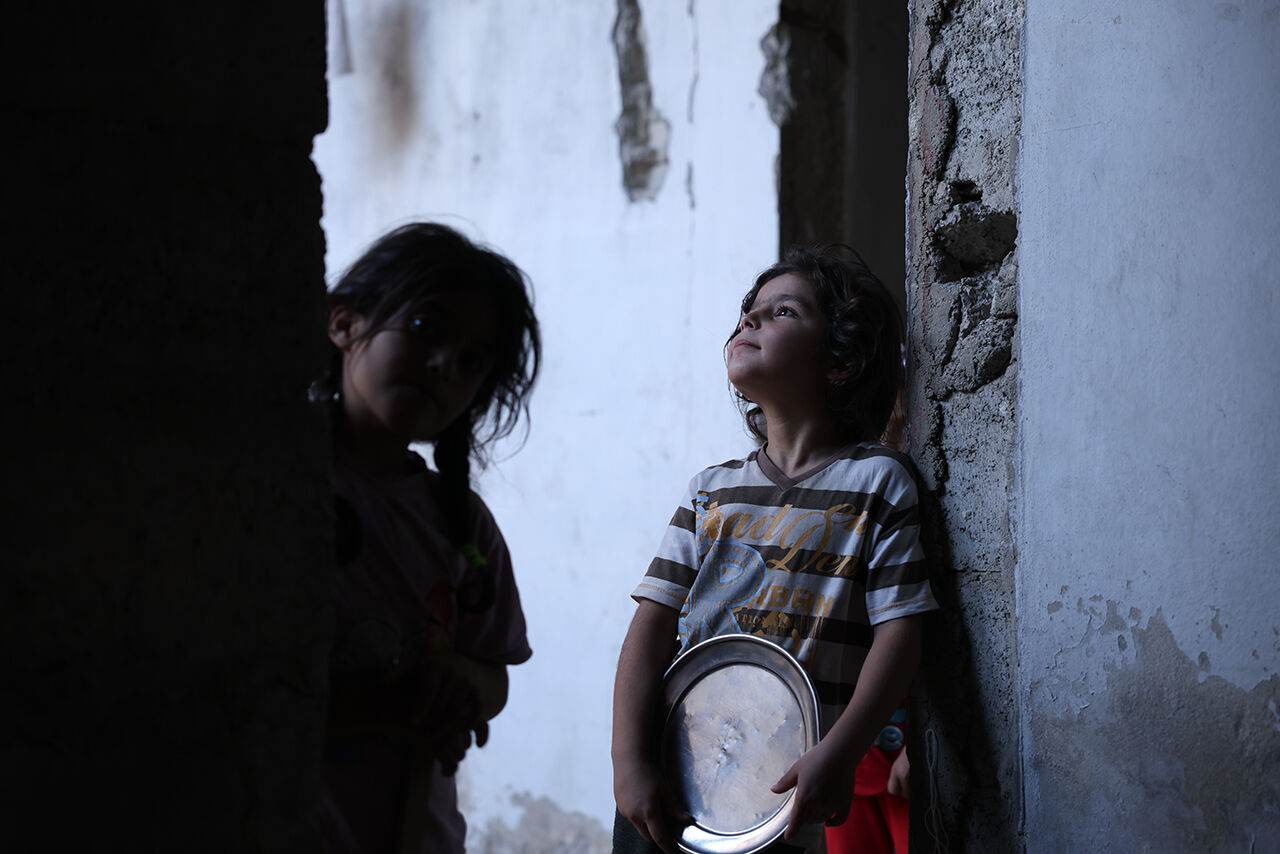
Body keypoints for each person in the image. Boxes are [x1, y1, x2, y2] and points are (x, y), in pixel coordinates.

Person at [611, 245, 939, 854]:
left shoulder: (878, 483)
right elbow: (651, 626)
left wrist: (840, 754)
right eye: (747, 313)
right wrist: (628, 761)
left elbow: (901, 634)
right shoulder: (710, 491)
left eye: (781, 312)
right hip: (675, 777)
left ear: (840, 362)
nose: (750, 322)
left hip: (783, 801)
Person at [314, 222, 541, 854]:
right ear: (344, 324)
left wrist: (460, 683)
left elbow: (494, 674)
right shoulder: (280, 490)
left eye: (473, 361)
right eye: (424, 329)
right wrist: (388, 699)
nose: (444, 365)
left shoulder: (461, 523)